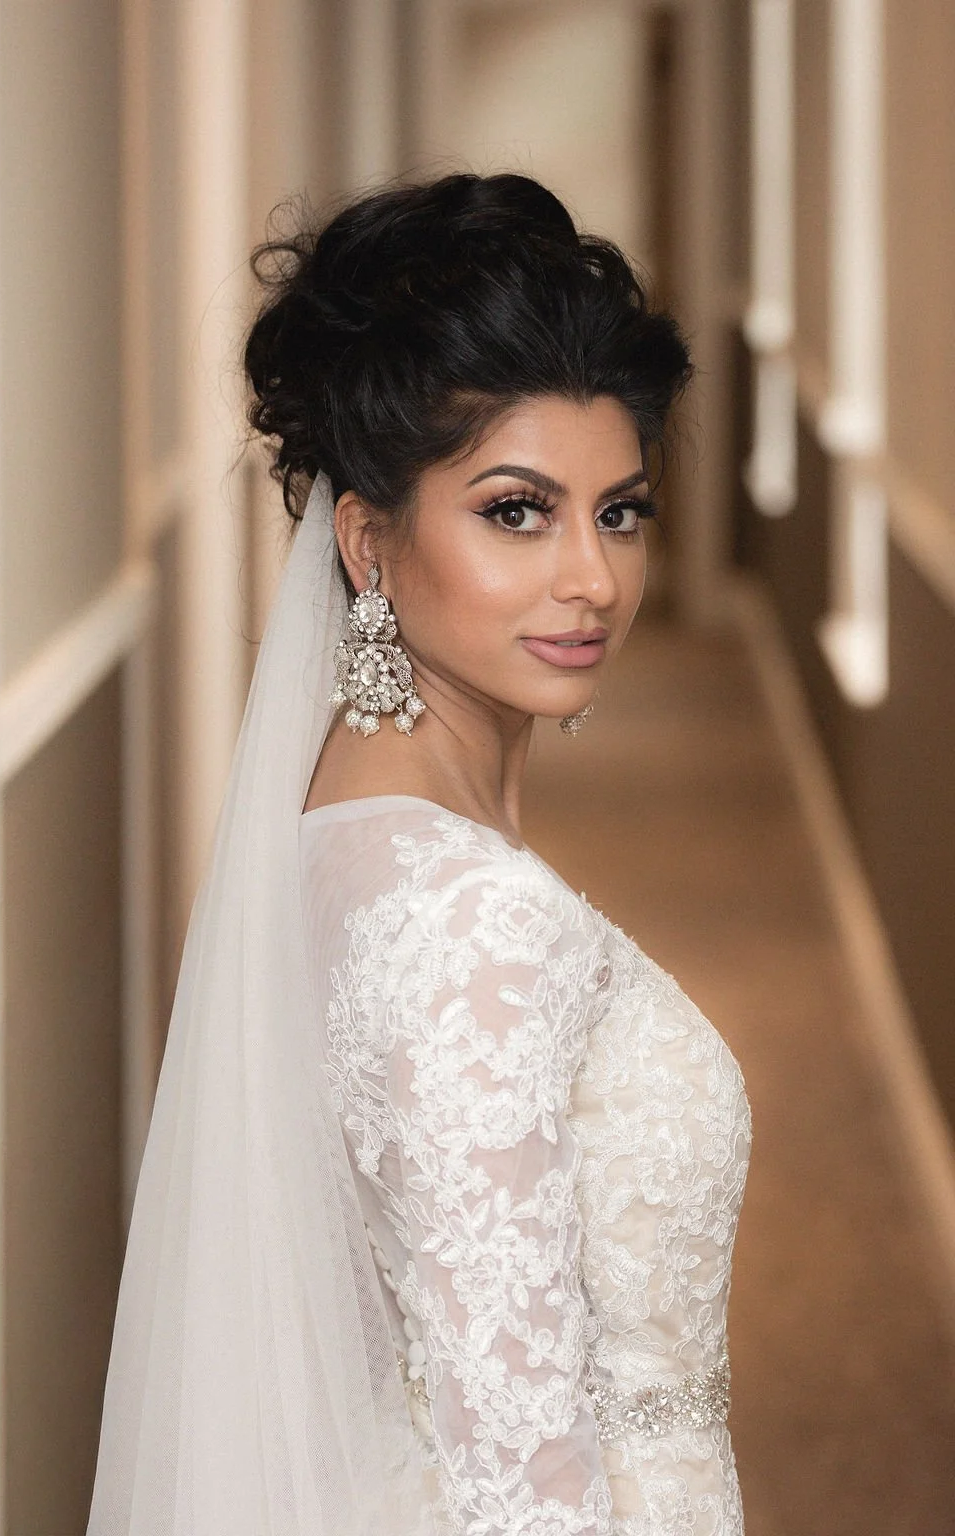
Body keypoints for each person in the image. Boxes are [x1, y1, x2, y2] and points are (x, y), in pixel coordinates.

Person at [87, 173, 751, 1536]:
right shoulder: (464, 923)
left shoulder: (362, 819)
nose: (593, 579)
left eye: (617, 511)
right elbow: (522, 1479)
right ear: (369, 543)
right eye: (516, 511)